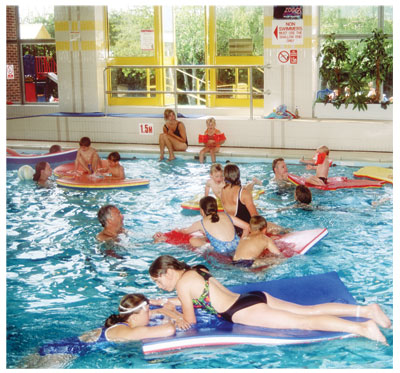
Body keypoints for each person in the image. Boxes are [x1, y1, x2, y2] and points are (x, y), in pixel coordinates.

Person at [149, 255, 390, 344]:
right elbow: (200, 295)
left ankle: (362, 328)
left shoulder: (181, 285)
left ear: (168, 272)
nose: (161, 286)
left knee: (303, 323)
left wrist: (170, 312)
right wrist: (169, 302)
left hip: (241, 310)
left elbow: (189, 322)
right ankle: (367, 310)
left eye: (159, 281)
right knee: (308, 310)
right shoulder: (195, 270)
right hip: (251, 297)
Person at [20, 293, 177, 368]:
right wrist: (170, 316)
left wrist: (161, 310)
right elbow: (169, 330)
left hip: (55, 347)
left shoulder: (121, 323)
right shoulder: (127, 332)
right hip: (61, 356)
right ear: (134, 317)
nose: (150, 314)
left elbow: (145, 316)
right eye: (148, 311)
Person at [221, 163, 284, 236]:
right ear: (238, 175)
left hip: (232, 230)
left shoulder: (223, 190)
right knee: (279, 229)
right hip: (246, 231)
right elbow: (255, 218)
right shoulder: (244, 194)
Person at [174, 196, 248, 253]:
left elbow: (186, 231)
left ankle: (205, 238)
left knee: (193, 240)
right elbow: (247, 227)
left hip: (221, 251)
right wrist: (241, 242)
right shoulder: (226, 215)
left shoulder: (200, 223)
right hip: (237, 245)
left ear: (202, 211)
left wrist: (178, 230)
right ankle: (205, 237)